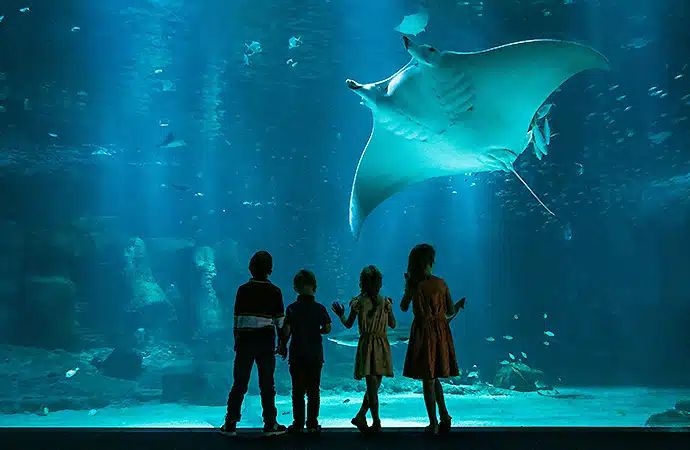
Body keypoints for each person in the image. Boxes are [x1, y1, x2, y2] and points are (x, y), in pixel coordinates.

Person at [221, 251, 287, 437]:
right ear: (270, 270)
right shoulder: (275, 291)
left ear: (250, 268)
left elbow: (237, 319)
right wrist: (282, 343)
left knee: (240, 382)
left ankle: (230, 423)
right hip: (266, 340)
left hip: (245, 340)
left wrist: (237, 340)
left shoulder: (242, 290)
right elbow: (280, 322)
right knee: (267, 383)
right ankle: (270, 424)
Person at [400, 244, 463, 435]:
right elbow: (450, 311)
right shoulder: (441, 283)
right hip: (440, 331)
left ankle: (434, 423)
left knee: (428, 379)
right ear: (430, 262)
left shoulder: (413, 284)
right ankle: (444, 416)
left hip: (422, 332)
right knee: (433, 377)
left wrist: (407, 286)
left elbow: (403, 307)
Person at [332, 265, 396, 434]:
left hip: (367, 344)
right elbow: (393, 324)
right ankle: (374, 421)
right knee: (374, 387)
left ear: (362, 283)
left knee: (372, 387)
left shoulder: (358, 303)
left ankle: (366, 417)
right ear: (380, 283)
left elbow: (348, 324)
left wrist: (340, 315)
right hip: (381, 344)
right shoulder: (385, 302)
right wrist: (389, 310)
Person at [276, 269, 331, 434]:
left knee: (298, 390)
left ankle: (298, 424)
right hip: (315, 355)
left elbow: (286, 331)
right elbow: (327, 328)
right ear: (315, 287)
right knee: (314, 390)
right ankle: (312, 424)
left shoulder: (292, 309)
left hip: (297, 354)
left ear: (295, 288)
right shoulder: (320, 308)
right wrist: (319, 330)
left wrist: (282, 345)